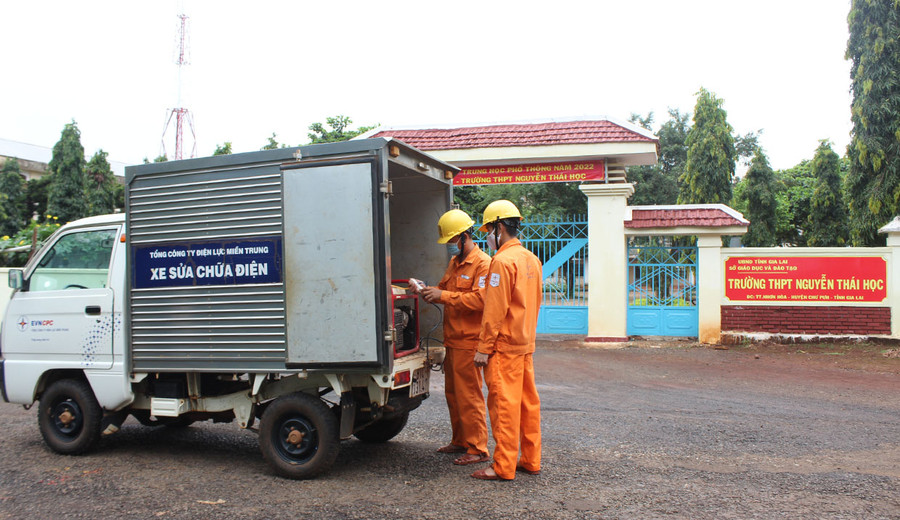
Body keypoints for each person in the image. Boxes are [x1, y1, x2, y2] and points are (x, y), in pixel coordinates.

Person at [470, 200, 542, 481]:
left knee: (504, 408)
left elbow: (495, 310)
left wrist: (483, 348)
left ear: (499, 227)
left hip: (504, 348)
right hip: (524, 345)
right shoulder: (531, 259)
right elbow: (533, 305)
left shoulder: (501, 261)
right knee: (527, 405)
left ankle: (502, 467)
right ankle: (530, 460)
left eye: (489, 229)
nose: (488, 236)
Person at [417, 209, 491, 466]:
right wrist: (429, 291)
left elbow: (482, 300)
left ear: (464, 236)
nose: (449, 247)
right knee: (454, 394)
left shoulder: (483, 263)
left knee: (470, 396)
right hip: (453, 340)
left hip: (470, 342)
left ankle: (478, 448)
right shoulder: (455, 262)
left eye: (451, 241)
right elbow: (445, 289)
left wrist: (443, 296)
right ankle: (460, 440)